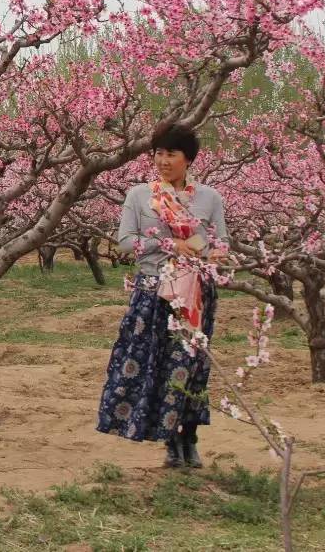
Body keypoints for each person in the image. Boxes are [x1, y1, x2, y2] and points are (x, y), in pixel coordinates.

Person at [96, 124, 228, 469]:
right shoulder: (140, 196)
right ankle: (169, 440)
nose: (163, 160)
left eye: (171, 153)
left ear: (188, 159)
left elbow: (220, 243)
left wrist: (211, 253)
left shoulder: (209, 199)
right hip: (154, 290)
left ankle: (190, 437)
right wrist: (170, 244)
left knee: (191, 366)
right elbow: (126, 242)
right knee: (158, 365)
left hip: (195, 292)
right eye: (158, 153)